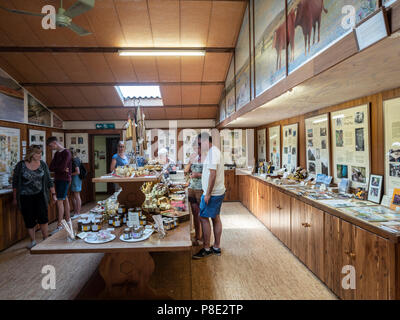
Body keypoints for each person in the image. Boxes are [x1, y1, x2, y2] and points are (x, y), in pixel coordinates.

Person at [12, 145, 57, 249]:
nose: (40, 155)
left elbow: (49, 181)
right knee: (29, 219)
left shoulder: (43, 165)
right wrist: (15, 198)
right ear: (31, 155)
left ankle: (45, 238)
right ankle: (33, 241)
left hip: (40, 195)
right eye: (38, 153)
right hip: (25, 197)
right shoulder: (21, 165)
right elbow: (15, 183)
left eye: (41, 153)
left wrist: (53, 194)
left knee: (43, 217)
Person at [193, 132, 225, 259]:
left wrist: (207, 194)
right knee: (215, 218)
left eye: (200, 144)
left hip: (212, 194)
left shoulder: (213, 154)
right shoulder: (213, 152)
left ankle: (206, 248)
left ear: (206, 141)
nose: (199, 146)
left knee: (203, 217)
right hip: (216, 192)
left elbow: (212, 175)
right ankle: (216, 247)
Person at [47, 136, 72, 234]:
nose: (50, 148)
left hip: (64, 179)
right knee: (64, 199)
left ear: (54, 143)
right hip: (58, 178)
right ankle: (68, 220)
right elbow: (51, 167)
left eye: (50, 146)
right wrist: (60, 168)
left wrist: (60, 168)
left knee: (60, 201)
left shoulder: (66, 152)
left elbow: (62, 167)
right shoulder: (57, 153)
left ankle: (59, 224)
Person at [184, 141, 203, 246]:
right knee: (195, 213)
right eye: (194, 148)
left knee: (202, 215)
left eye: (197, 148)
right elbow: (186, 170)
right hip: (191, 188)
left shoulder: (206, 159)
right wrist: (190, 161)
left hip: (201, 189)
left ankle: (204, 236)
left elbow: (209, 174)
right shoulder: (193, 158)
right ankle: (197, 235)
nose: (196, 150)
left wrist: (198, 175)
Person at [70, 149, 82, 218]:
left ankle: (77, 213)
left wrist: (70, 174)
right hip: (77, 179)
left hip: (76, 179)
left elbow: (78, 172)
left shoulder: (74, 160)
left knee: (77, 196)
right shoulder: (77, 159)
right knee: (75, 196)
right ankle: (76, 212)